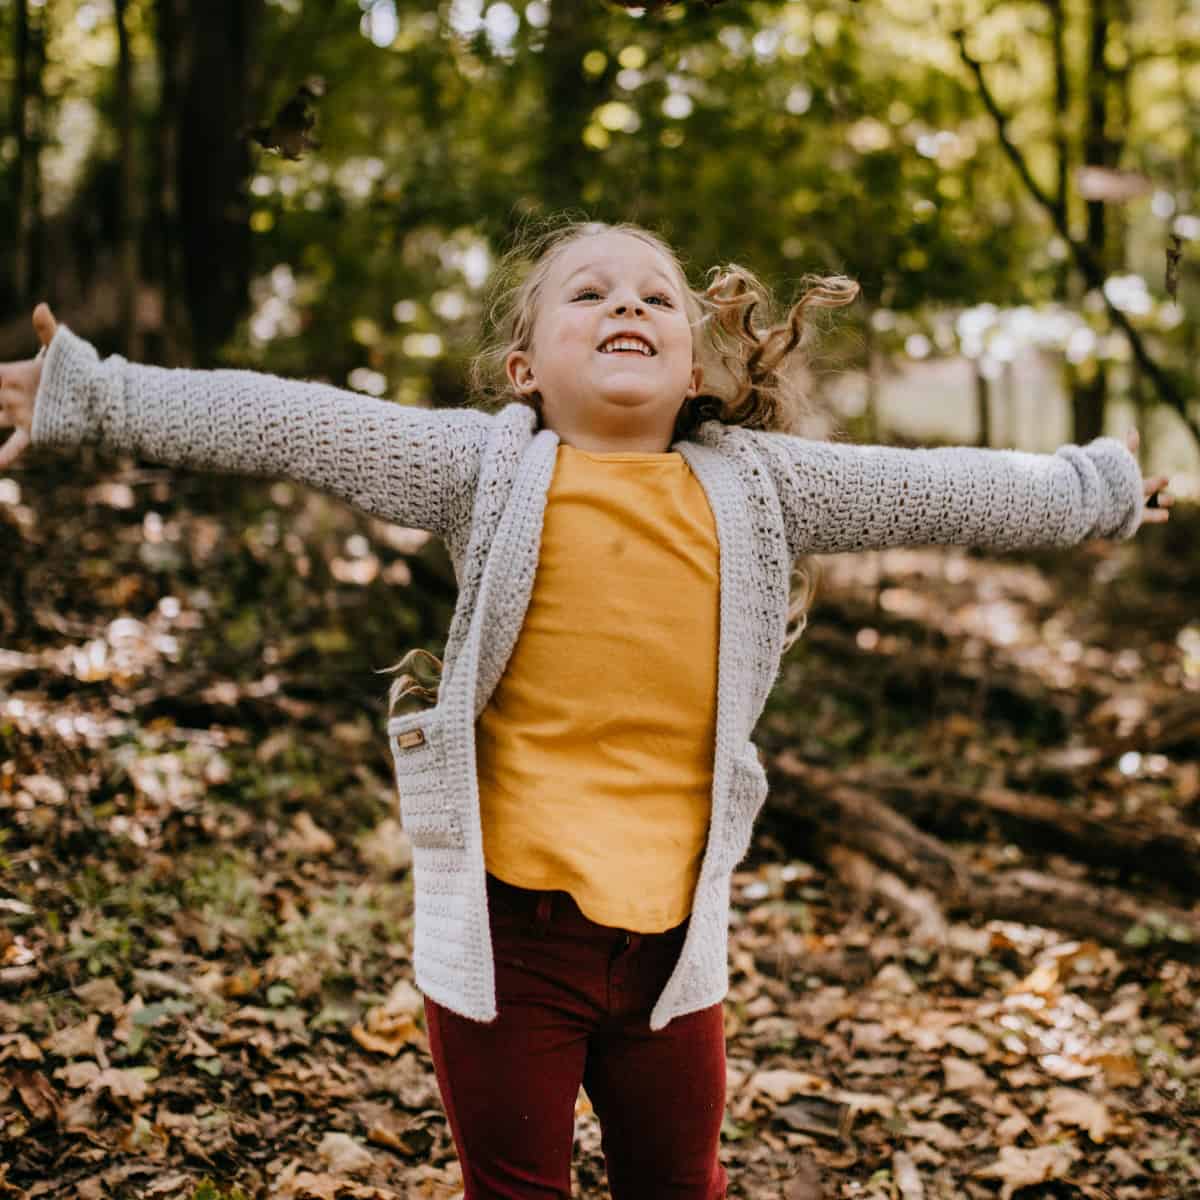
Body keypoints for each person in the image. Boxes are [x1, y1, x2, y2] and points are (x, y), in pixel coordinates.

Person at [0, 218, 1173, 1200]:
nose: (630, 304)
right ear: (524, 369)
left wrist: (1100, 487)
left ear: (698, 367)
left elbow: (941, 491)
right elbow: (286, 421)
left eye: (659, 295)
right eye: (590, 293)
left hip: (673, 950)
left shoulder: (762, 484)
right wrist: (92, 394)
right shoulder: (484, 468)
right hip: (514, 941)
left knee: (682, 1187)